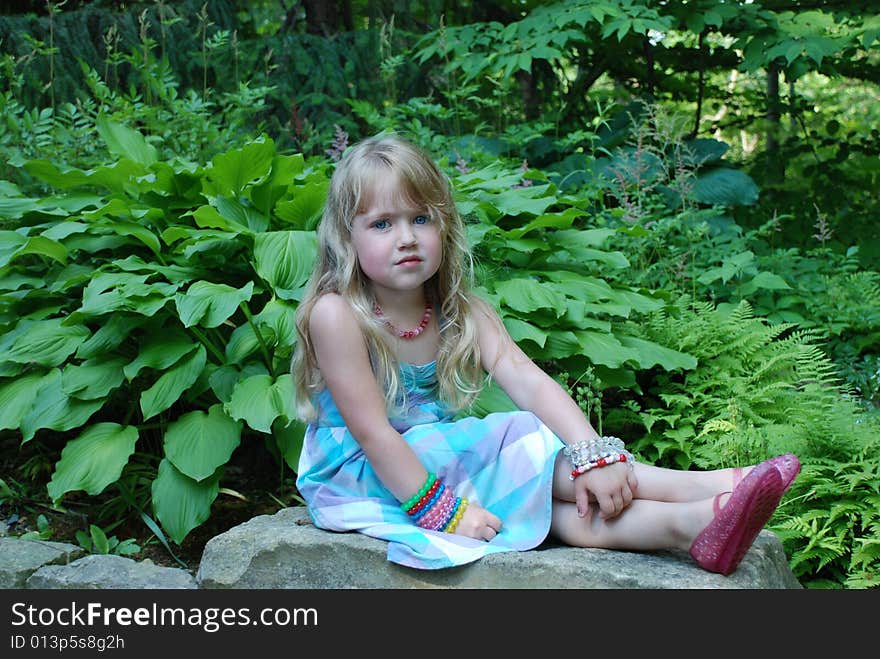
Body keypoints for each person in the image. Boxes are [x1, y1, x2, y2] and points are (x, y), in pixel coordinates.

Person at [291, 133, 800, 575]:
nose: (406, 238)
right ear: (346, 237)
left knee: (543, 512)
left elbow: (526, 378)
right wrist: (445, 515)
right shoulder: (337, 315)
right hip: (362, 474)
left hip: (438, 462)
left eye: (420, 218)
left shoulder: (460, 309)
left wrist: (590, 452)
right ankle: (713, 485)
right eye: (382, 224)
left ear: (444, 226)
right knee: (512, 438)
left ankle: (693, 524)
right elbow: (373, 433)